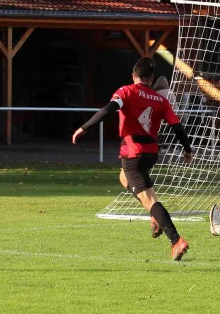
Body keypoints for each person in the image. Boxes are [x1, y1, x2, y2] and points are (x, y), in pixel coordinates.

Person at [72, 57, 193, 261]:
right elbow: (177, 127)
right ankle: (155, 217)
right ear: (151, 78)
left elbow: (107, 109)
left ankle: (176, 240)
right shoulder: (160, 100)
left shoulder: (126, 91)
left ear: (133, 76)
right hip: (151, 153)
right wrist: (187, 150)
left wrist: (84, 128)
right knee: (124, 179)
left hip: (132, 153)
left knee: (150, 200)